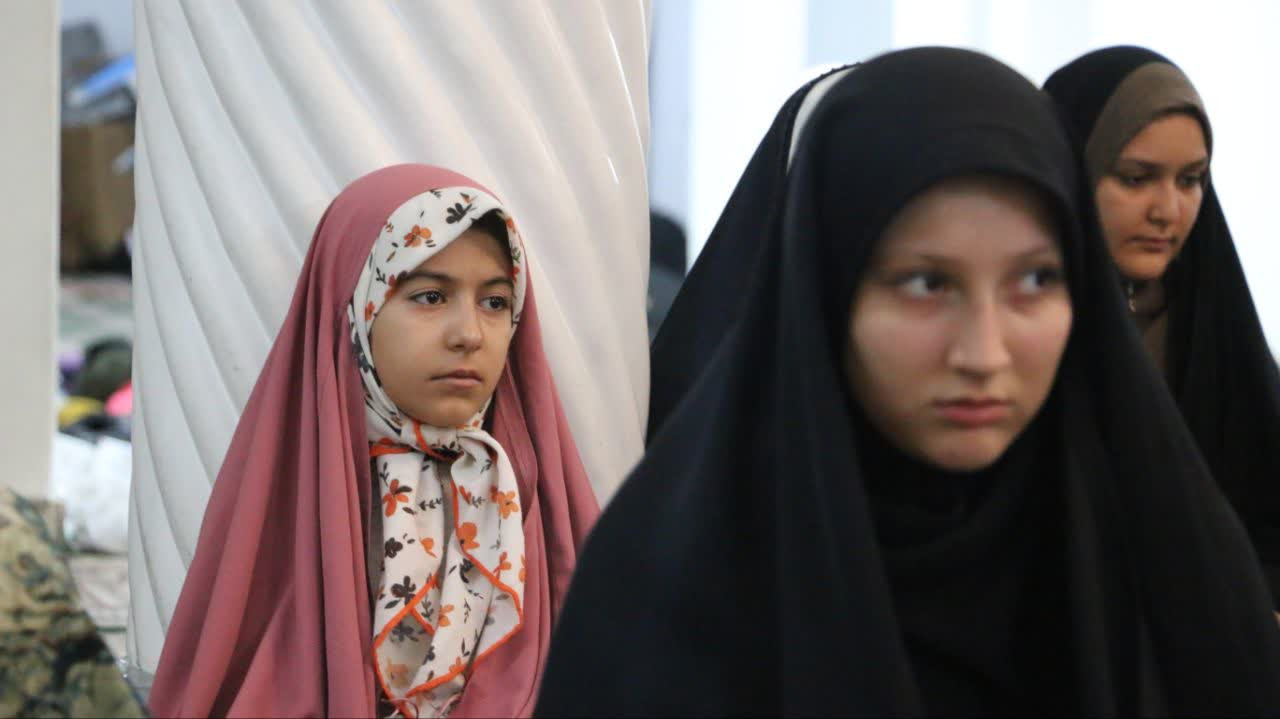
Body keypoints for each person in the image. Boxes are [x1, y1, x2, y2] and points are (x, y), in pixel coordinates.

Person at [535, 48, 1280, 716]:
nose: (984, 353)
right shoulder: (670, 600)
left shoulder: (1167, 570)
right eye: (927, 283)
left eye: (1035, 280)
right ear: (828, 290)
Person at [149, 164, 599, 717]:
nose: (469, 335)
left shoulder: (537, 505)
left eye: (495, 302)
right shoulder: (284, 513)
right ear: (357, 308)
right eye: (430, 296)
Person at [1044, 46, 1280, 602]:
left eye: (1191, 180)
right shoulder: (1023, 334)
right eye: (1135, 178)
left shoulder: (1209, 319)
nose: (1167, 211)